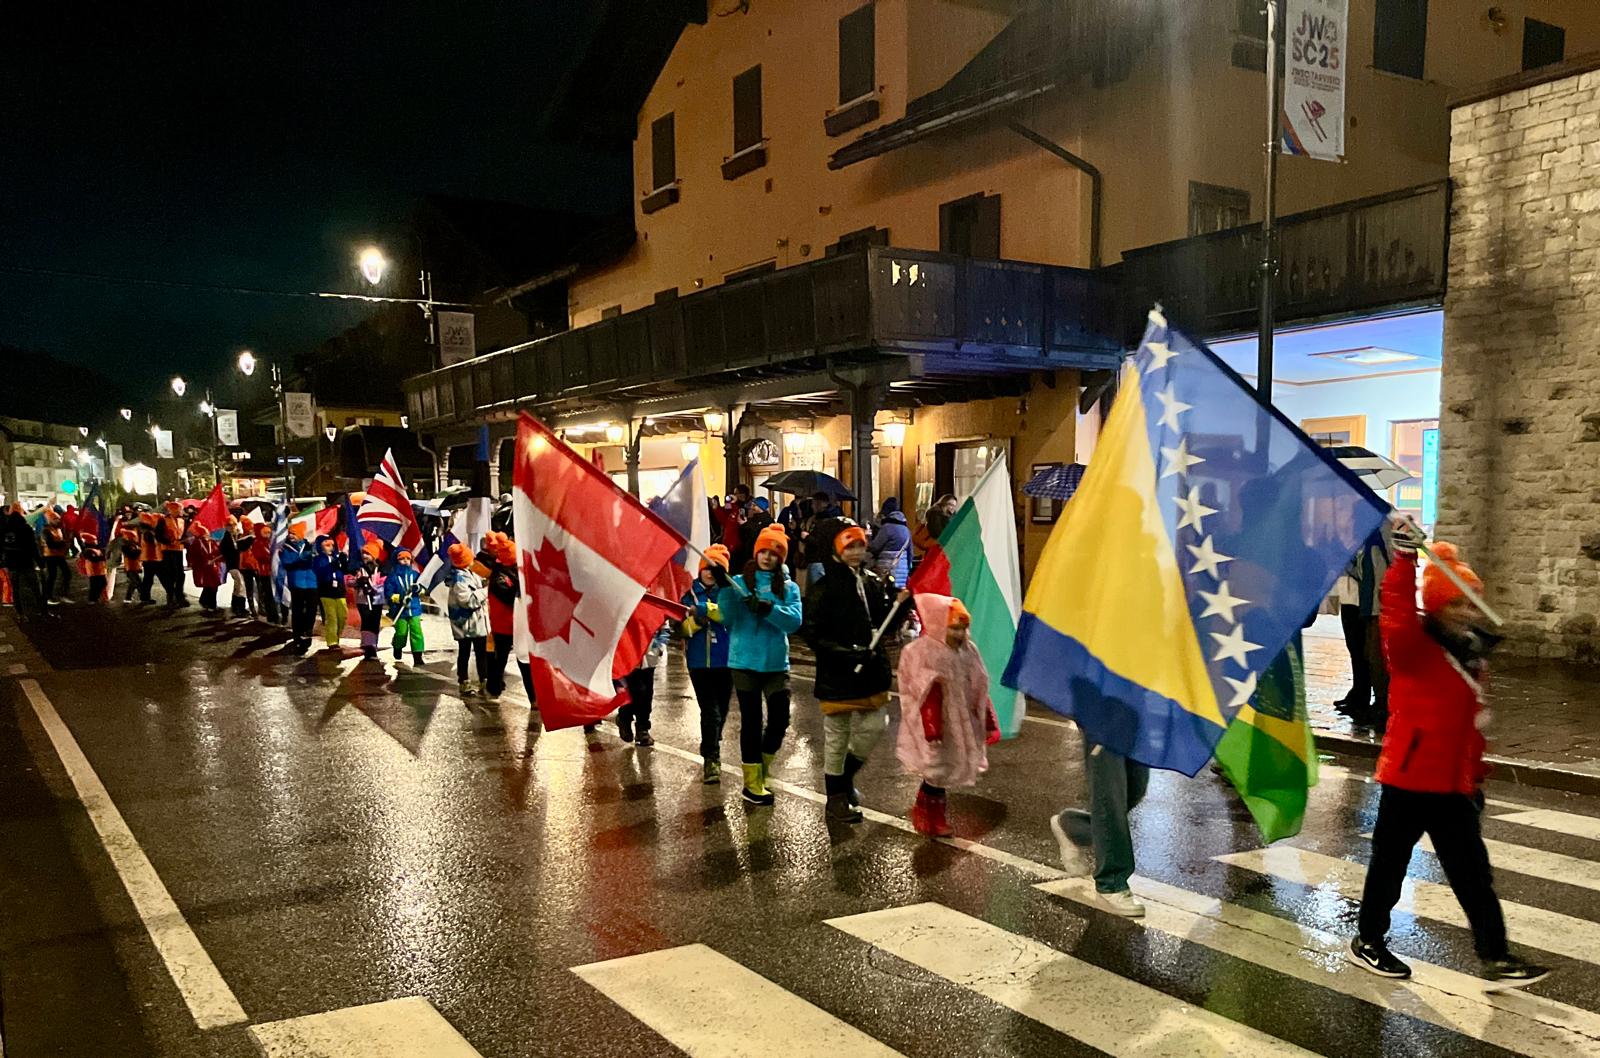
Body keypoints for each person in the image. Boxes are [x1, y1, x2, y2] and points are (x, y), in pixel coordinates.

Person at [1349, 522, 1548, 986]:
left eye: (1467, 600)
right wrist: (1404, 560)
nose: (1462, 611)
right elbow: (1395, 613)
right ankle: (1369, 940)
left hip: (1452, 787)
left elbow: (1470, 729)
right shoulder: (1414, 647)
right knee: (1389, 866)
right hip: (1408, 779)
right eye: (1453, 602)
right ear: (1436, 605)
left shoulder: (1472, 654)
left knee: (1473, 876)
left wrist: (1474, 776)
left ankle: (1495, 956)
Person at [802, 518, 911, 823]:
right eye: (849, 546)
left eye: (860, 545)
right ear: (837, 549)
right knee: (837, 737)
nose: (856, 551)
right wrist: (845, 653)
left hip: (871, 672)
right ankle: (835, 798)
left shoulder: (871, 581)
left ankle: (844, 779)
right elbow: (811, 633)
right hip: (838, 674)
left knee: (874, 728)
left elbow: (884, 619)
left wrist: (901, 604)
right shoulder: (823, 588)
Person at [713, 523, 803, 806]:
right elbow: (727, 618)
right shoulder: (739, 581)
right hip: (743, 662)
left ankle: (761, 769)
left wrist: (769, 609)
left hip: (776, 663)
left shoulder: (788, 587)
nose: (767, 556)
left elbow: (794, 621)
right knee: (751, 722)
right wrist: (724, 587)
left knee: (779, 720)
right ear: (756, 552)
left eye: (774, 552)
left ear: (781, 558)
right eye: (763, 550)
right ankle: (752, 784)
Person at [896, 595, 998, 837]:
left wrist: (985, 716)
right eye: (954, 628)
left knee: (944, 769)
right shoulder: (923, 652)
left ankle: (930, 812)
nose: (960, 634)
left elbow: (979, 684)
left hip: (959, 719)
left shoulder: (968, 650)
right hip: (936, 723)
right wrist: (931, 726)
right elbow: (924, 690)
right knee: (937, 768)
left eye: (963, 628)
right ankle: (928, 814)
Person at [1048, 736, 1151, 917]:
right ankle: (1111, 882)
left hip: (1136, 714)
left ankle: (1073, 827)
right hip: (1103, 716)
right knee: (1110, 788)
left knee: (1136, 786)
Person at [681, 544, 733, 783]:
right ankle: (712, 759)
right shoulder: (689, 593)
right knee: (710, 711)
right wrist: (696, 624)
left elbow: (729, 616)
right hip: (699, 662)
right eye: (707, 567)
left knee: (722, 711)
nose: (710, 573)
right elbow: (679, 627)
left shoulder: (730, 593)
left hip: (726, 660)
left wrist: (704, 610)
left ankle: (711, 741)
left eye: (716, 568)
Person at [1334, 527, 1392, 731]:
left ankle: (1380, 705)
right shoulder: (1364, 542)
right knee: (1361, 650)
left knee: (1372, 655)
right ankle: (1364, 696)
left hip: (1372, 605)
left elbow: (1374, 572)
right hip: (1361, 602)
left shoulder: (1376, 541)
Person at [445, 542, 489, 696]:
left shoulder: (469, 573)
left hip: (477, 623)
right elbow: (468, 601)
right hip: (465, 624)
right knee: (464, 652)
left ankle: (484, 679)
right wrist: (485, 592)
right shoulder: (459, 580)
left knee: (481, 652)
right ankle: (463, 681)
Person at [618, 621, 668, 747]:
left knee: (647, 695)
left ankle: (642, 729)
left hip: (650, 657)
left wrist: (659, 648)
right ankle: (625, 718)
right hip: (628, 655)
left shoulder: (656, 602)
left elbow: (664, 626)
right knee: (635, 691)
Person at [482, 532, 519, 702]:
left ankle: (496, 682)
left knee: (504, 655)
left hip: (513, 623)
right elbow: (508, 596)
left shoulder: (508, 571)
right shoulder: (499, 576)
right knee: (501, 656)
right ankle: (494, 685)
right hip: (503, 624)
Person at [2, 504, 47, 622]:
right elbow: (33, 547)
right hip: (26, 561)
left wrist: (4, 561)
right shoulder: (25, 528)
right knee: (36, 588)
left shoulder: (5, 528)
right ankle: (42, 612)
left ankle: (21, 614)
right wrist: (40, 563)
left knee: (16, 589)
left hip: (11, 563)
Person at [279, 523, 319, 653]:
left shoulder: (310, 546)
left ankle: (307, 632)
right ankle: (297, 636)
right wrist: (303, 558)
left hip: (312, 582)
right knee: (298, 610)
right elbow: (287, 563)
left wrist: (313, 556)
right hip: (297, 583)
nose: (291, 536)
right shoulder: (286, 548)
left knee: (311, 610)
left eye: (294, 533)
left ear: (301, 534)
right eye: (290, 533)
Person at [387, 549, 426, 665]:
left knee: (416, 632)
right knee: (401, 633)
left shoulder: (415, 575)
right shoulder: (392, 577)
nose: (405, 561)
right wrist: (399, 598)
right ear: (397, 560)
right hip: (400, 611)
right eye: (402, 559)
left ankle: (418, 656)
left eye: (408, 558)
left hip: (414, 609)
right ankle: (397, 646)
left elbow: (423, 588)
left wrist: (418, 589)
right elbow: (389, 594)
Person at [312, 534, 351, 649]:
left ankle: (336, 637)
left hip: (339, 590)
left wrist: (344, 562)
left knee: (342, 616)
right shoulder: (318, 559)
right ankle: (332, 641)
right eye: (327, 545)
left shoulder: (336, 558)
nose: (330, 547)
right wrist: (331, 566)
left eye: (332, 545)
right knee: (331, 617)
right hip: (326, 591)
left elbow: (345, 571)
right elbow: (320, 572)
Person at [350, 540, 386, 659]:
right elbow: (349, 581)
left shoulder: (381, 569)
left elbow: (384, 584)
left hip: (377, 601)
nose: (365, 556)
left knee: (374, 623)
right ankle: (367, 646)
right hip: (363, 600)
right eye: (364, 553)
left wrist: (372, 588)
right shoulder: (359, 569)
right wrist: (358, 582)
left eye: (368, 553)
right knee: (367, 622)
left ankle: (373, 645)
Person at [866, 497, 912, 588]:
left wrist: (868, 538)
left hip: (886, 569)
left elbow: (875, 547)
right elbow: (910, 553)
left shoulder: (887, 528)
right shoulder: (906, 530)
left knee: (886, 593)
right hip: (902, 571)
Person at [158, 501, 189, 608]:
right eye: (180, 509)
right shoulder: (163, 520)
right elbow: (159, 535)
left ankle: (180, 596)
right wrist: (168, 541)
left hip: (178, 549)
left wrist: (185, 541)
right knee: (170, 574)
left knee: (180, 574)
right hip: (167, 550)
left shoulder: (182, 521)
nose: (181, 511)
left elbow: (184, 534)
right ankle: (170, 597)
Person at [187, 526, 224, 612]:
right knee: (209, 585)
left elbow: (217, 552)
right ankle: (209, 604)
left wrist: (217, 558)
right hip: (204, 568)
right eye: (205, 533)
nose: (207, 535)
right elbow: (192, 556)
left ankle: (208, 602)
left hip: (214, 567)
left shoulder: (213, 542)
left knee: (214, 585)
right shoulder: (196, 543)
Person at [731, 495, 774, 571]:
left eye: (754, 505)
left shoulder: (768, 521)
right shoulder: (752, 519)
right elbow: (744, 536)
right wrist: (743, 525)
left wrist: (745, 525)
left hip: (757, 553)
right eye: (752, 505)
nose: (751, 507)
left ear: (761, 507)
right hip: (747, 554)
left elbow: (756, 535)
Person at [221, 517, 248, 617]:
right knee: (241, 585)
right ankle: (239, 607)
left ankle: (236, 605)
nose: (232, 527)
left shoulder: (237, 536)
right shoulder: (226, 539)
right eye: (230, 525)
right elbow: (226, 551)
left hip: (239, 564)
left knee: (239, 585)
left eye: (234, 524)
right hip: (233, 565)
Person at [75, 530, 108, 604]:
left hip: (100, 570)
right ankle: (92, 599)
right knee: (94, 585)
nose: (96, 541)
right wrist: (103, 558)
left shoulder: (98, 549)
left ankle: (95, 597)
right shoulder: (88, 551)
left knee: (103, 583)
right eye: (94, 540)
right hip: (93, 571)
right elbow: (94, 559)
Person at [137, 512, 163, 604]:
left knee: (148, 579)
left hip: (148, 558)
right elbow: (155, 543)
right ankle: (145, 597)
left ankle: (144, 597)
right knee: (156, 578)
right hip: (152, 558)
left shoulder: (145, 532)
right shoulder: (149, 533)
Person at [117, 525, 144, 602]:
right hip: (130, 567)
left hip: (135, 566)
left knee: (134, 582)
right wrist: (140, 551)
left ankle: (128, 598)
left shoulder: (134, 545)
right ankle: (143, 596)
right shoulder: (126, 546)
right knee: (137, 582)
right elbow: (132, 555)